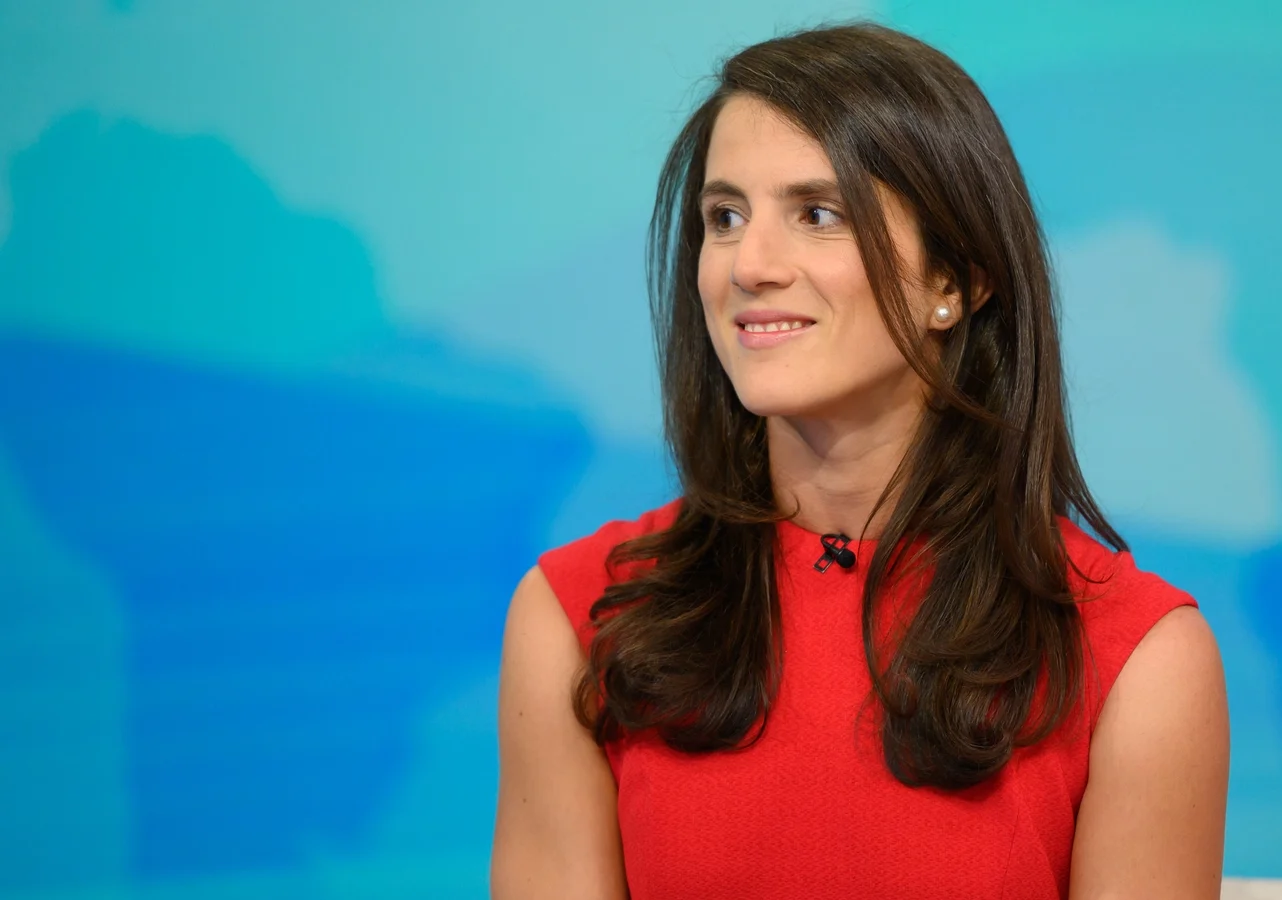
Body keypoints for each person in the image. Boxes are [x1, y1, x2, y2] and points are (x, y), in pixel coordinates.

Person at [492, 21, 1228, 899]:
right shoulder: (580, 616)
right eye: (725, 217)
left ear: (955, 281)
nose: (749, 265)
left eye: (817, 214)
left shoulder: (1136, 659)